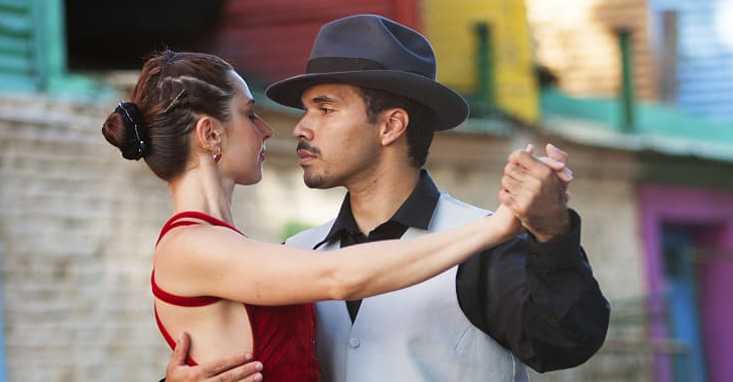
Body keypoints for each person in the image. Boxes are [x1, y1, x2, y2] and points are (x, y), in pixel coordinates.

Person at [164, 14, 610, 382]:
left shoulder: (481, 246)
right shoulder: (297, 255)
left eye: (324, 107)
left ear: (390, 126)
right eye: (305, 110)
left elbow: (567, 340)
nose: (300, 127)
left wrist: (553, 231)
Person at [102, 49, 540, 382]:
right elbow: (338, 277)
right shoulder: (191, 246)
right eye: (250, 114)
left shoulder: (227, 244)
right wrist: (494, 227)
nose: (269, 130)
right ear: (210, 133)